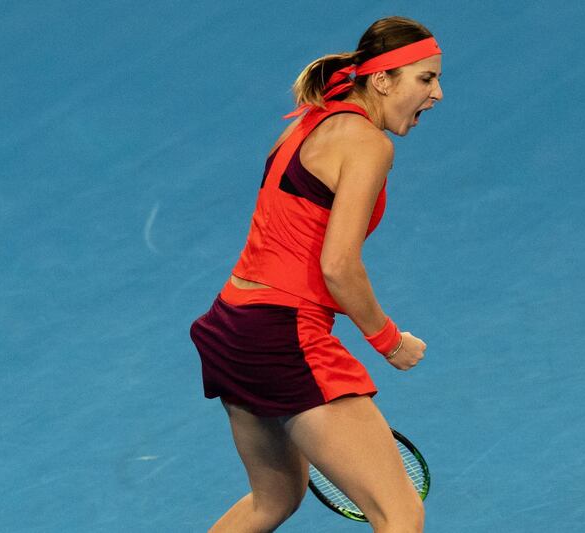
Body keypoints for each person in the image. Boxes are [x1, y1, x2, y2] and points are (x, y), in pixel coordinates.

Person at [189, 16, 443, 533]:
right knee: (400, 514)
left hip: (231, 328)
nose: (437, 94)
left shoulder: (308, 122)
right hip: (283, 334)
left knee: (273, 498)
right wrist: (389, 342)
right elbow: (339, 267)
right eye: (425, 78)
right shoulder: (369, 144)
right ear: (382, 80)